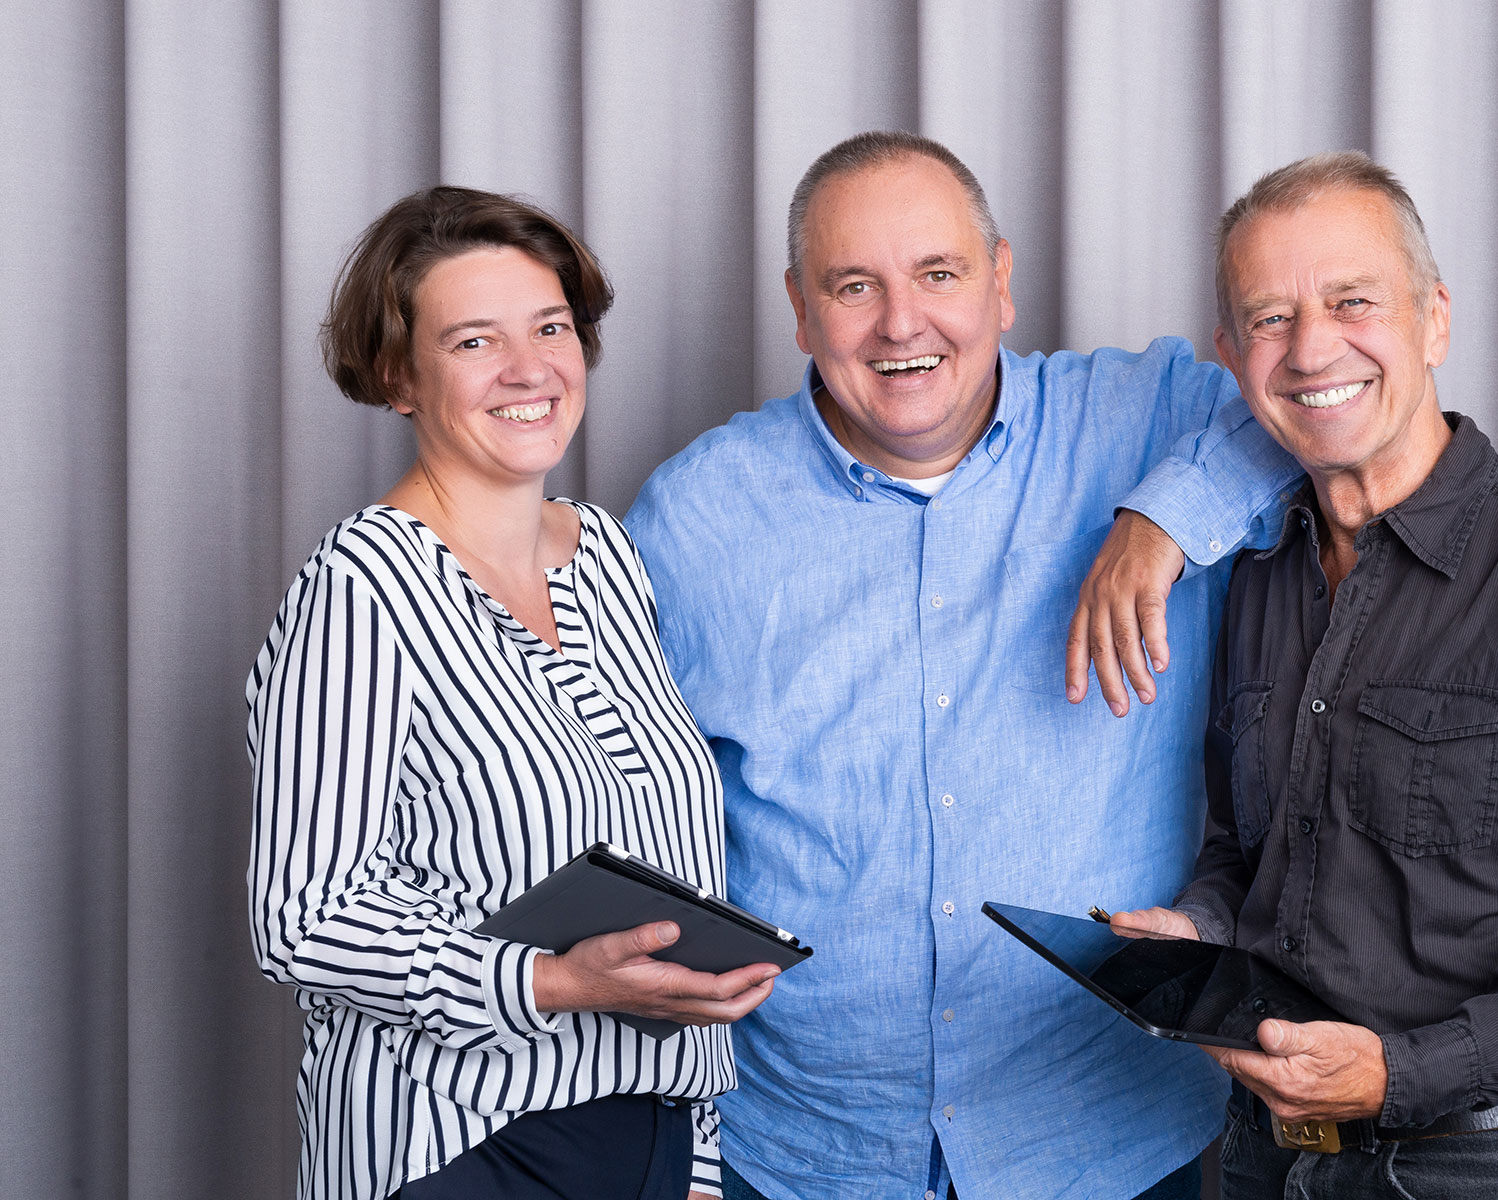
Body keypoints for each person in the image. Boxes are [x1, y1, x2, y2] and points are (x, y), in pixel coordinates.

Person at [626, 132, 1303, 1200]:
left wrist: (1161, 518)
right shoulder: (691, 515)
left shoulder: (1151, 421)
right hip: (801, 1149)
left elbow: (1313, 405)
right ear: (800, 310)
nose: (903, 323)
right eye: (855, 286)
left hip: (1099, 1139)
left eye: (938, 274)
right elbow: (613, 791)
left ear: (1001, 283)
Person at [1115, 151, 1498, 1198]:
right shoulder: (1256, 579)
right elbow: (1245, 858)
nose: (1311, 349)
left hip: (1472, 1167)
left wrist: (1396, 1072)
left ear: (1434, 321)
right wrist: (1198, 929)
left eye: (1352, 302)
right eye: (1269, 319)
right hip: (1258, 1162)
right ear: (1230, 357)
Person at [247, 186, 779, 1200]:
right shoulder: (361, 585)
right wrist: (555, 981)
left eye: (550, 328)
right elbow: (302, 916)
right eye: (474, 342)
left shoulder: (608, 555)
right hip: (460, 1145)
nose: (529, 369)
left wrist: (698, 1158)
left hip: (651, 1140)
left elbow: (671, 861)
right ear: (400, 375)